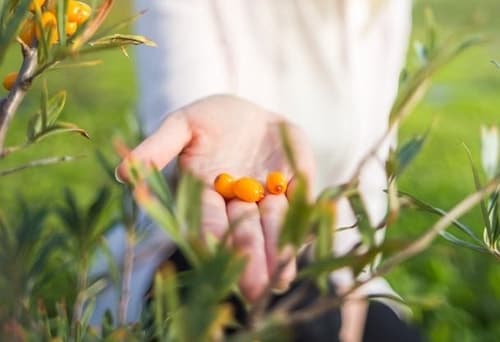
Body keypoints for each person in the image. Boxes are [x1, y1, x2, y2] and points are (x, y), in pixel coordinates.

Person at [91, 1, 421, 340]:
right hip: (182, 250)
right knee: (282, 311)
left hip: (329, 260)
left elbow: (367, 178)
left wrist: (349, 303)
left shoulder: (380, 8)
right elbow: (179, 109)